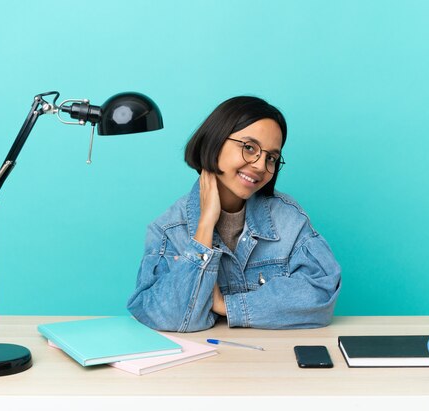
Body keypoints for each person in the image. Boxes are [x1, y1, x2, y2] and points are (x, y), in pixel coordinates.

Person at [126, 96, 341, 332]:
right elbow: (165, 316)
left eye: (271, 157)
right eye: (249, 148)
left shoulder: (288, 219)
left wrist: (226, 305)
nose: (261, 166)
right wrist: (205, 227)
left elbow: (321, 295)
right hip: (201, 365)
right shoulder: (169, 229)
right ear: (215, 142)